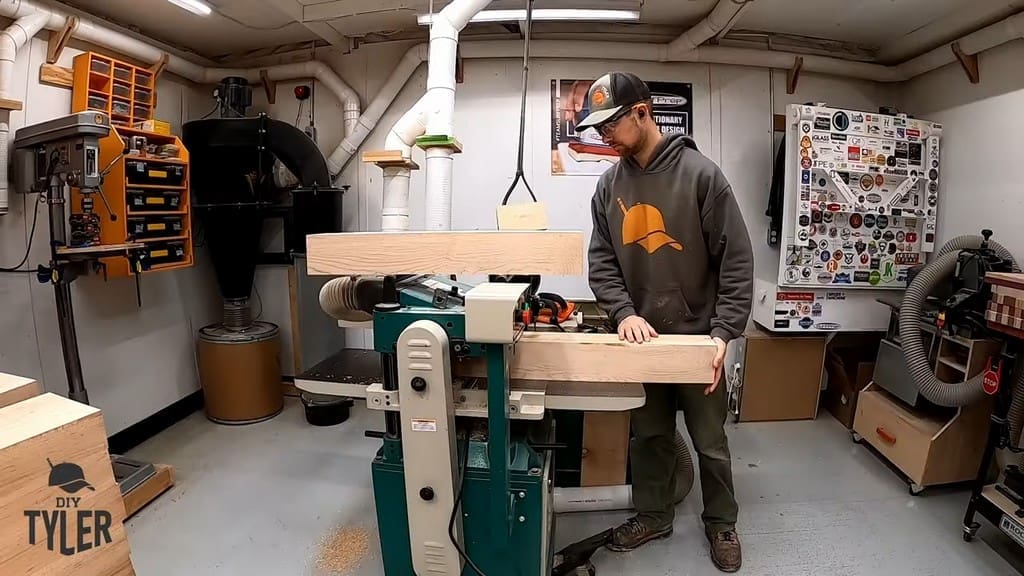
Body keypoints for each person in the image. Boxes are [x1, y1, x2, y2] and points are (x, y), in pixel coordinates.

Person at [576, 71, 753, 573]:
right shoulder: (609, 185)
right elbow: (602, 262)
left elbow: (736, 260)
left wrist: (724, 334)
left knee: (711, 441)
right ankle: (654, 514)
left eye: (611, 122)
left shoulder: (702, 176)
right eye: (597, 126)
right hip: (644, 341)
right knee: (649, 435)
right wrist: (624, 313)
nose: (603, 134)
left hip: (700, 342)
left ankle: (721, 521)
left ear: (642, 112)